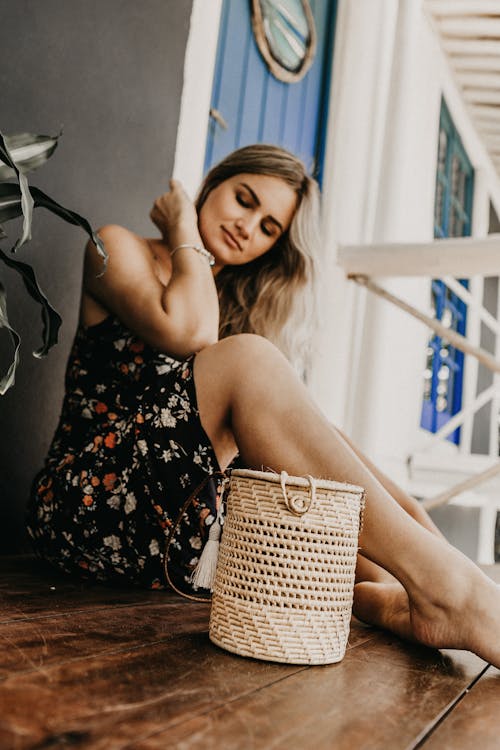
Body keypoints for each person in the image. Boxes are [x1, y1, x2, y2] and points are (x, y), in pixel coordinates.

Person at [27, 144, 500, 668]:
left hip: (183, 532)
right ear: (211, 184)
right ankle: (450, 593)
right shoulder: (116, 247)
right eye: (243, 199)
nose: (248, 226)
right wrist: (184, 228)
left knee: (330, 440)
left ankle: (427, 590)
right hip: (83, 509)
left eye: (269, 227)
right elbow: (190, 331)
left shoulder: (228, 303)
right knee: (250, 358)